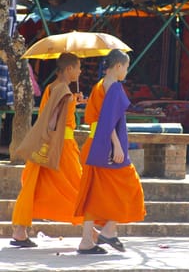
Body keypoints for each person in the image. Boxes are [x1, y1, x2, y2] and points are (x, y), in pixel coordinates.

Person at [74, 49, 146, 254]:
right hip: (107, 147)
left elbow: (97, 119)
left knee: (93, 194)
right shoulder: (114, 87)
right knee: (132, 187)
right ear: (117, 67)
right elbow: (108, 121)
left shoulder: (99, 85)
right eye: (126, 67)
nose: (126, 71)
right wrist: (116, 145)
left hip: (93, 146)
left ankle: (87, 241)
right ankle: (108, 230)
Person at [10, 52, 84, 247]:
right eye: (78, 67)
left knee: (34, 186)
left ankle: (20, 231)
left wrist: (72, 101)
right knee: (79, 187)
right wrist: (69, 100)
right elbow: (54, 120)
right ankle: (92, 232)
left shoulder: (53, 87)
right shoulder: (62, 91)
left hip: (45, 145)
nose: (80, 71)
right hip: (60, 146)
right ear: (69, 69)